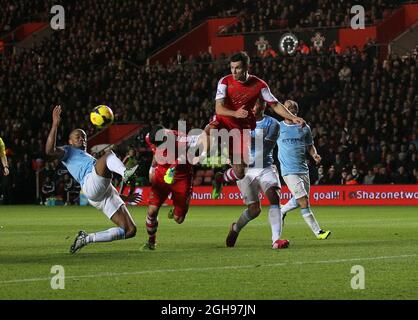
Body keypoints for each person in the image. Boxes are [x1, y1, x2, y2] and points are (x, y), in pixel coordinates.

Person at [208, 51, 305, 199]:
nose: (234, 71)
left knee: (240, 172)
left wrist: (293, 117)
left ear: (247, 67)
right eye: (232, 68)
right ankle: (179, 163)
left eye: (238, 68)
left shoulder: (259, 85)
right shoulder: (225, 81)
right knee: (210, 131)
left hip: (240, 129)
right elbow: (219, 108)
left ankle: (220, 178)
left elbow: (275, 104)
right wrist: (235, 113)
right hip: (224, 119)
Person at [45, 105, 139, 253]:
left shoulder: (88, 156)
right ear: (70, 141)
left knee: (130, 230)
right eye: (78, 137)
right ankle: (125, 172)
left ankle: (86, 238)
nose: (82, 139)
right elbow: (49, 150)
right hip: (90, 183)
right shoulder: (68, 152)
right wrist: (55, 124)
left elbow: (104, 183)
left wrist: (124, 196)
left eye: (84, 137)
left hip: (102, 193)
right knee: (108, 155)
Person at [226, 100, 289, 249]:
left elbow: (265, 150)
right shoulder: (239, 122)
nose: (253, 107)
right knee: (254, 210)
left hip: (264, 166)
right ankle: (235, 228)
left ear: (263, 105)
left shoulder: (273, 124)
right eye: (251, 104)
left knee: (274, 196)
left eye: (256, 104)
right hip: (246, 170)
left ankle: (276, 240)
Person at [143, 124, 206, 250]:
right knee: (152, 211)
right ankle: (151, 242)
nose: (157, 147)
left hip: (182, 177)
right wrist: (151, 169)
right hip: (161, 175)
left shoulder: (182, 139)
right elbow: (155, 155)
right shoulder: (149, 138)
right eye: (155, 145)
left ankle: (178, 206)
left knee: (179, 219)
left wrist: (173, 168)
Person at [278, 100, 331, 240]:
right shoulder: (277, 127)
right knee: (304, 202)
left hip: (303, 169)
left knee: (300, 199)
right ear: (284, 110)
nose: (293, 110)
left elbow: (310, 145)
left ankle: (282, 210)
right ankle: (318, 232)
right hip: (289, 171)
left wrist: (314, 155)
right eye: (289, 108)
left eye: (295, 108)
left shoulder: (304, 127)